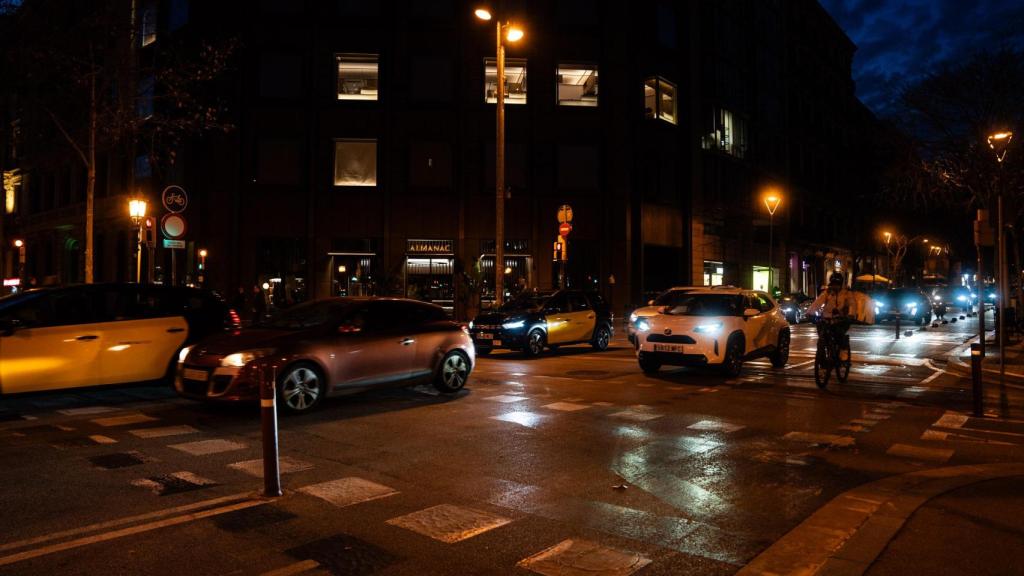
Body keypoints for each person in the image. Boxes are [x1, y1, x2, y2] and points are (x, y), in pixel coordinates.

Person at [807, 272, 857, 360]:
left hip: (841, 320)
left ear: (840, 284)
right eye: (833, 284)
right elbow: (817, 303)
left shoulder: (846, 294)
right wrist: (810, 313)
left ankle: (843, 355)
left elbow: (852, 305)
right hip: (826, 319)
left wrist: (851, 315)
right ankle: (821, 357)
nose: (834, 286)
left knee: (840, 336)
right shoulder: (827, 293)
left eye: (836, 284)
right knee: (822, 338)